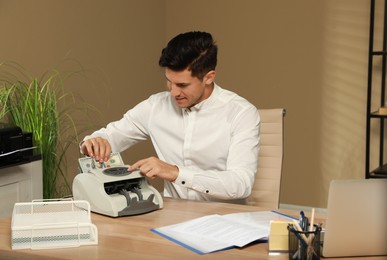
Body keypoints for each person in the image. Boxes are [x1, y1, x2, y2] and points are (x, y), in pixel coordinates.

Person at [81, 31, 260, 203]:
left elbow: (240, 184)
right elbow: (109, 136)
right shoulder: (155, 106)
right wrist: (95, 142)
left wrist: (175, 172)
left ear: (209, 77)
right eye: (169, 81)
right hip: (172, 216)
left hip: (225, 220)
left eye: (182, 85)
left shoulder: (241, 113)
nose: (173, 93)